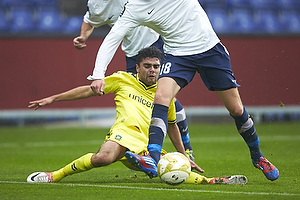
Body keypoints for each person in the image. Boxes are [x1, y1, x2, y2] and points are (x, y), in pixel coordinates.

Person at [87, 0, 279, 181]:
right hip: (177, 54)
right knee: (161, 96)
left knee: (236, 109)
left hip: (209, 49)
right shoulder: (134, 7)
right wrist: (98, 74)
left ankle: (258, 157)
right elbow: (112, 38)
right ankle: (153, 158)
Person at [26, 46, 247, 185]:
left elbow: (171, 126)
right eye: (148, 66)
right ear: (138, 68)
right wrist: (53, 99)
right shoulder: (123, 78)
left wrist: (184, 155)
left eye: (156, 67)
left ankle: (213, 181)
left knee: (172, 168)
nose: (153, 70)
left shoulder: (164, 94)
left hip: (149, 143)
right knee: (102, 158)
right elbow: (87, 90)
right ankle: (54, 175)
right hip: (123, 135)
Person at [73, 0, 195, 160]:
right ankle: (146, 154)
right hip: (133, 55)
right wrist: (83, 36)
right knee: (149, 101)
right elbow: (89, 21)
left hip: (156, 44)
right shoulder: (97, 3)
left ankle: (186, 150)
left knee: (166, 96)